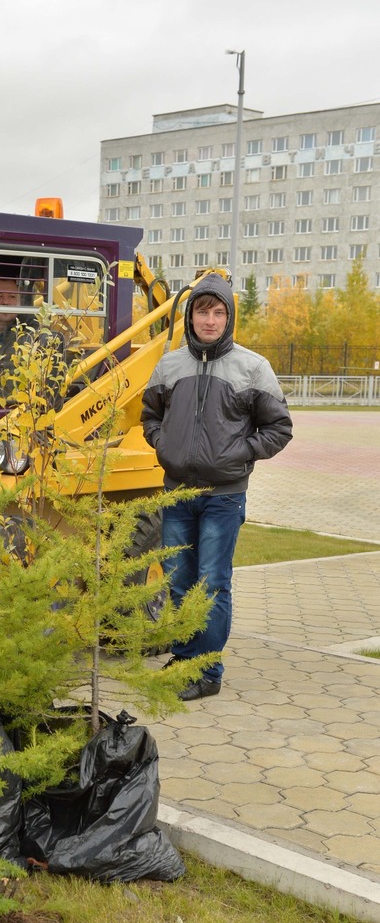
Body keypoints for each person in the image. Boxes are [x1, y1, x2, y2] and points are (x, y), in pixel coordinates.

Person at [140, 273, 293, 701]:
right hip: (177, 493)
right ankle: (186, 658)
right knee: (177, 580)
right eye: (202, 311)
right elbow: (149, 415)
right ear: (190, 317)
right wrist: (163, 444)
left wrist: (239, 454)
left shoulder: (252, 367)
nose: (210, 320)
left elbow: (279, 428)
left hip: (224, 496)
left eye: (218, 312)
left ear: (229, 317)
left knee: (211, 582)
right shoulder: (170, 364)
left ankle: (207, 671)